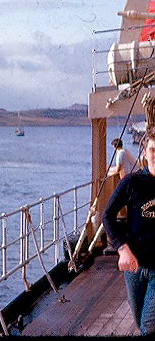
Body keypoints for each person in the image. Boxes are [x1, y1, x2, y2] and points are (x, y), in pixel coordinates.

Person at [102, 131, 155, 335]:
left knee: (148, 327)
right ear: (144, 153)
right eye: (153, 149)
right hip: (133, 267)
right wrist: (122, 248)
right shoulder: (132, 182)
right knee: (141, 322)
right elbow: (107, 215)